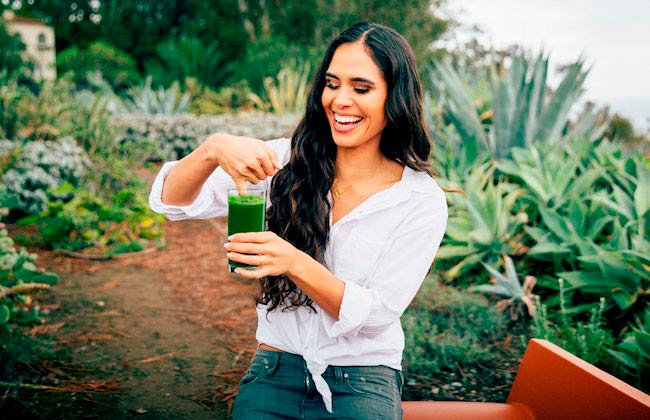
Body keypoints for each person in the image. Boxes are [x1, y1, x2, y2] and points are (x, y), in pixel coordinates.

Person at [149, 21, 448, 420]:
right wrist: (212, 149)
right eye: (331, 83)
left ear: (395, 97)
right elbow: (172, 203)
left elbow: (377, 316)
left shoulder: (418, 199)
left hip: (364, 378)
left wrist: (292, 260)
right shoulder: (283, 164)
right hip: (276, 368)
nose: (340, 100)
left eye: (361, 88)